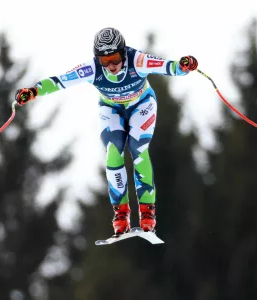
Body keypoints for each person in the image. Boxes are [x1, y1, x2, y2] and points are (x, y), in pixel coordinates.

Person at [15, 27, 198, 237]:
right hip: (111, 109)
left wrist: (184, 65)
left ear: (123, 52)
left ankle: (147, 212)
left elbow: (169, 67)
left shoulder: (137, 60)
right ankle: (121, 214)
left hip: (142, 105)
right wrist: (33, 91)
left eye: (114, 58)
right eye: (104, 60)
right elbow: (60, 81)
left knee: (138, 149)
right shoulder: (92, 69)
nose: (110, 66)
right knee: (113, 152)